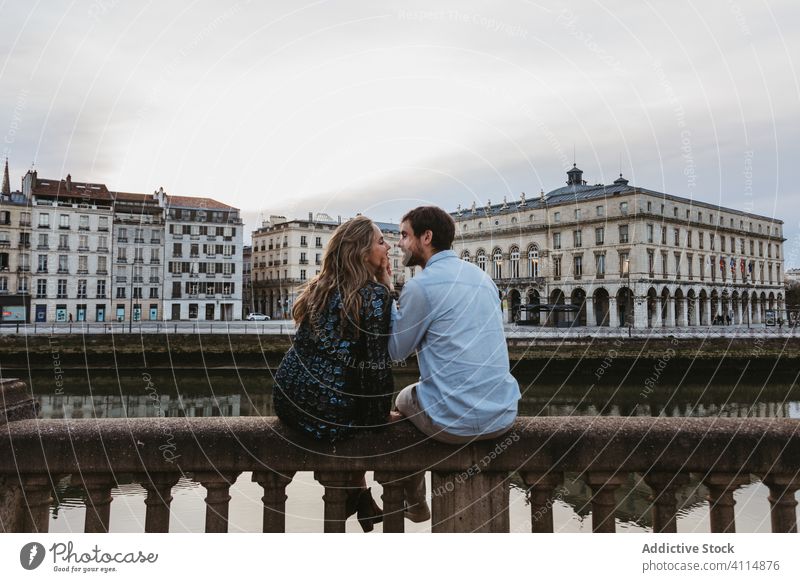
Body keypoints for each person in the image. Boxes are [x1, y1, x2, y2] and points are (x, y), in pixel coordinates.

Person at [386, 206, 521, 522]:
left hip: (453, 422)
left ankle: (415, 500)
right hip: (503, 414)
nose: (399, 244)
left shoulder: (421, 286)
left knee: (402, 401)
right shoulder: (483, 278)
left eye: (405, 235)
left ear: (426, 237)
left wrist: (384, 292)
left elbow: (395, 351)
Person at [273, 216, 395, 531]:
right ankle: (359, 496)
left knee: (344, 393)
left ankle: (361, 497)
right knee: (375, 414)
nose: (389, 246)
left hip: (287, 398)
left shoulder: (318, 288)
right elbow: (375, 369)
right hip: (326, 410)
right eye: (381, 241)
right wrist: (381, 418)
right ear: (361, 251)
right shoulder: (373, 295)